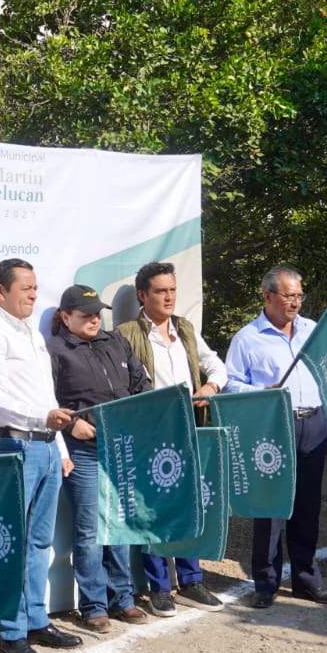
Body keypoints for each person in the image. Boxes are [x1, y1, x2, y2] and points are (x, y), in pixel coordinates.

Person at [0, 258, 84, 653]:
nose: (34, 294)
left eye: (35, 287)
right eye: (26, 287)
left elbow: (44, 395)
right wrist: (41, 422)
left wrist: (60, 448)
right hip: (12, 447)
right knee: (12, 543)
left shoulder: (29, 333)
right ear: (0, 291)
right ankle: (10, 633)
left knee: (38, 541)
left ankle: (35, 620)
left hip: (46, 447)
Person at [223, 266, 327, 609]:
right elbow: (231, 383)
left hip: (313, 423)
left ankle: (306, 579)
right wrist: (263, 391)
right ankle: (266, 582)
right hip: (274, 427)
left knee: (308, 506)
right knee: (271, 507)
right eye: (289, 296)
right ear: (267, 296)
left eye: (299, 296)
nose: (295, 303)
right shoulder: (247, 338)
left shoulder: (313, 331)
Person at [115, 261, 226, 615]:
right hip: (152, 433)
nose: (168, 297)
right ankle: (159, 587)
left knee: (189, 505)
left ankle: (192, 580)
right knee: (156, 511)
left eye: (173, 290)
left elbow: (216, 364)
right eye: (161, 291)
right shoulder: (126, 334)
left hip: (189, 429)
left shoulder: (186, 330)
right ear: (142, 295)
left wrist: (210, 385)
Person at [48, 283, 152, 630]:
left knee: (118, 524)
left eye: (97, 314)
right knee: (90, 528)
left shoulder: (116, 342)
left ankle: (122, 598)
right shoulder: (55, 350)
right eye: (86, 315)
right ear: (65, 317)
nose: (95, 320)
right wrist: (70, 425)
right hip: (83, 451)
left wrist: (137, 416)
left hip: (120, 447)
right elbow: (44, 404)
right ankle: (94, 605)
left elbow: (142, 384)